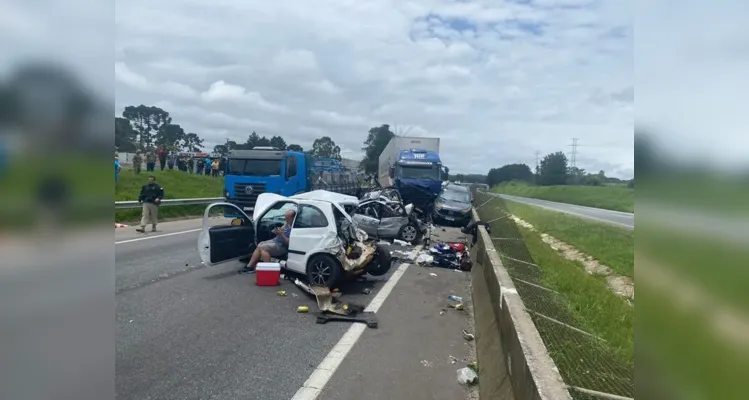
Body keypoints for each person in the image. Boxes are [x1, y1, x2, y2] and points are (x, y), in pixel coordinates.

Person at [239, 209, 295, 274]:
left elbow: (289, 243)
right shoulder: (287, 224)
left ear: (293, 218)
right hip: (276, 241)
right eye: (285, 218)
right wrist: (276, 231)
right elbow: (281, 229)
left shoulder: (294, 228)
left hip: (282, 246)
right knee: (260, 244)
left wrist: (281, 234)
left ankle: (268, 270)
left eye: (287, 218)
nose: (285, 220)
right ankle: (250, 266)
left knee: (263, 248)